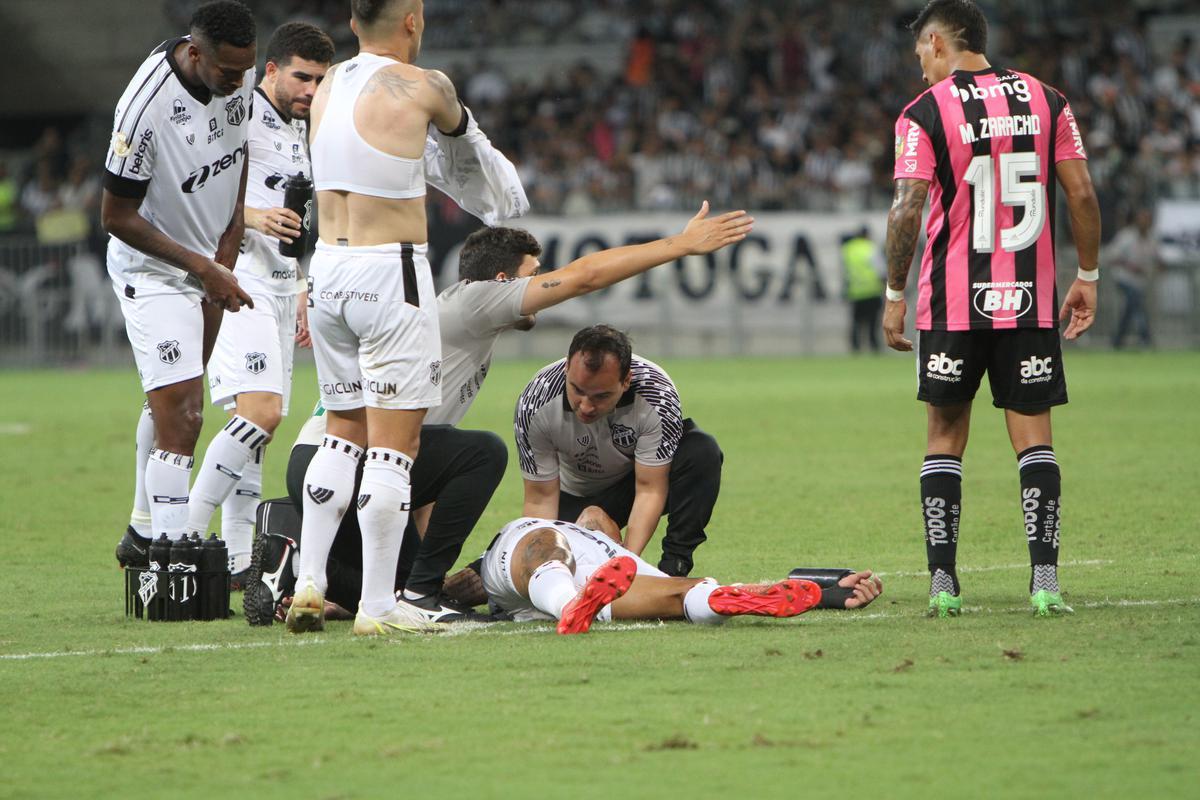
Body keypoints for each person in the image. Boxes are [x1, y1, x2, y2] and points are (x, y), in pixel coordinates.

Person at [268, 207, 753, 624]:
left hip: (326, 467)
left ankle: (299, 568)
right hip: (354, 461)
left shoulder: (453, 326)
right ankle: (410, 592)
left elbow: (419, 465)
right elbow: (587, 276)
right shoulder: (475, 303)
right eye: (533, 273)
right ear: (503, 282)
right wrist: (680, 245)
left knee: (395, 584)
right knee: (482, 454)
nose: (540, 282)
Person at [881, 0, 1100, 617]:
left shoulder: (923, 113)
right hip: (1028, 302)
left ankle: (944, 585)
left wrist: (895, 295)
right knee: (1034, 440)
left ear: (936, 41)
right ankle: (1047, 583)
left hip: (953, 306)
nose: (918, 62)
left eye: (919, 49)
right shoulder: (1047, 99)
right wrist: (1087, 274)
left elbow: (908, 207)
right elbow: (1080, 190)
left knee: (945, 439)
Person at [287, 0, 483, 637]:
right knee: (396, 449)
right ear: (413, 19)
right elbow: (465, 144)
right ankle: (377, 605)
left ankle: (309, 580)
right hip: (389, 270)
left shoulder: (329, 83)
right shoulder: (425, 85)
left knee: (340, 428)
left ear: (350, 23)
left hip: (329, 270)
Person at [184, 22, 335, 584]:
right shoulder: (235, 111)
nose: (311, 90)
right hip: (233, 278)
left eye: (320, 80)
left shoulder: (302, 126)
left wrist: (299, 287)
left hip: (275, 284)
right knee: (261, 412)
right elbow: (194, 186)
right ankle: (181, 539)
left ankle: (241, 562)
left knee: (258, 431)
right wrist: (251, 217)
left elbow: (293, 219)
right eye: (301, 77)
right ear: (269, 70)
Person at [107, 0, 257, 563]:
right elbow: (115, 217)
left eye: (245, 71)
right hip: (154, 271)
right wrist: (202, 267)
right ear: (195, 54)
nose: (239, 83)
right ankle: (172, 557)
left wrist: (232, 233)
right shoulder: (145, 109)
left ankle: (142, 530)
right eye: (228, 73)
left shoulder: (232, 78)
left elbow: (237, 156)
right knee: (187, 413)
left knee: (172, 403)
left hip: (210, 265)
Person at [465, 507, 883, 635]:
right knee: (683, 593)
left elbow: (461, 587)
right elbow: (593, 515)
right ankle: (572, 605)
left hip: (534, 556)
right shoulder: (606, 545)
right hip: (600, 577)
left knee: (546, 550)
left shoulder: (601, 551)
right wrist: (822, 591)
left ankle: (570, 607)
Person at [516, 325, 722, 578]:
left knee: (701, 451)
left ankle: (674, 569)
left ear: (626, 381)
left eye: (601, 396)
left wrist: (627, 565)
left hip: (632, 487)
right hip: (569, 497)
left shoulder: (657, 395)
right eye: (578, 391)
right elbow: (540, 499)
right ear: (567, 368)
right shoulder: (536, 401)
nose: (586, 407)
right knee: (483, 577)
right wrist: (540, 571)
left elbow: (650, 489)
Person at [1109, 209, 1158, 349]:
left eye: (1147, 220)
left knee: (1131, 308)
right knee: (1136, 301)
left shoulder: (1152, 239)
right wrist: (1130, 266)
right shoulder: (1126, 236)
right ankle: (1145, 337)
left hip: (1140, 282)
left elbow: (1156, 257)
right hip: (1124, 278)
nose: (1144, 223)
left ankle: (1118, 340)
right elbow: (1112, 256)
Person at [842, 226, 884, 352]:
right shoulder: (871, 248)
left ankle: (855, 347)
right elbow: (880, 269)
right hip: (872, 290)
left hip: (855, 291)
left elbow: (845, 270)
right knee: (873, 322)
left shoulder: (848, 249)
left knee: (856, 322)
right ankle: (874, 346)